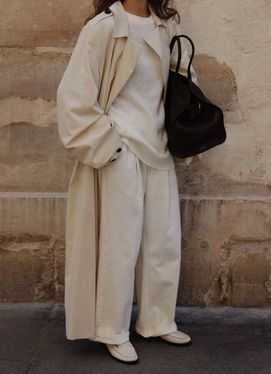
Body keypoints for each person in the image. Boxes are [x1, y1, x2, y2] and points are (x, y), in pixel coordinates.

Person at [56, 0, 200, 364]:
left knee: (162, 240)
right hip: (121, 148)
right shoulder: (103, 28)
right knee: (119, 246)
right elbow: (74, 97)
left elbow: (182, 81)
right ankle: (112, 329)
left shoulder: (165, 26)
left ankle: (157, 319)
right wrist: (110, 145)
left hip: (159, 146)